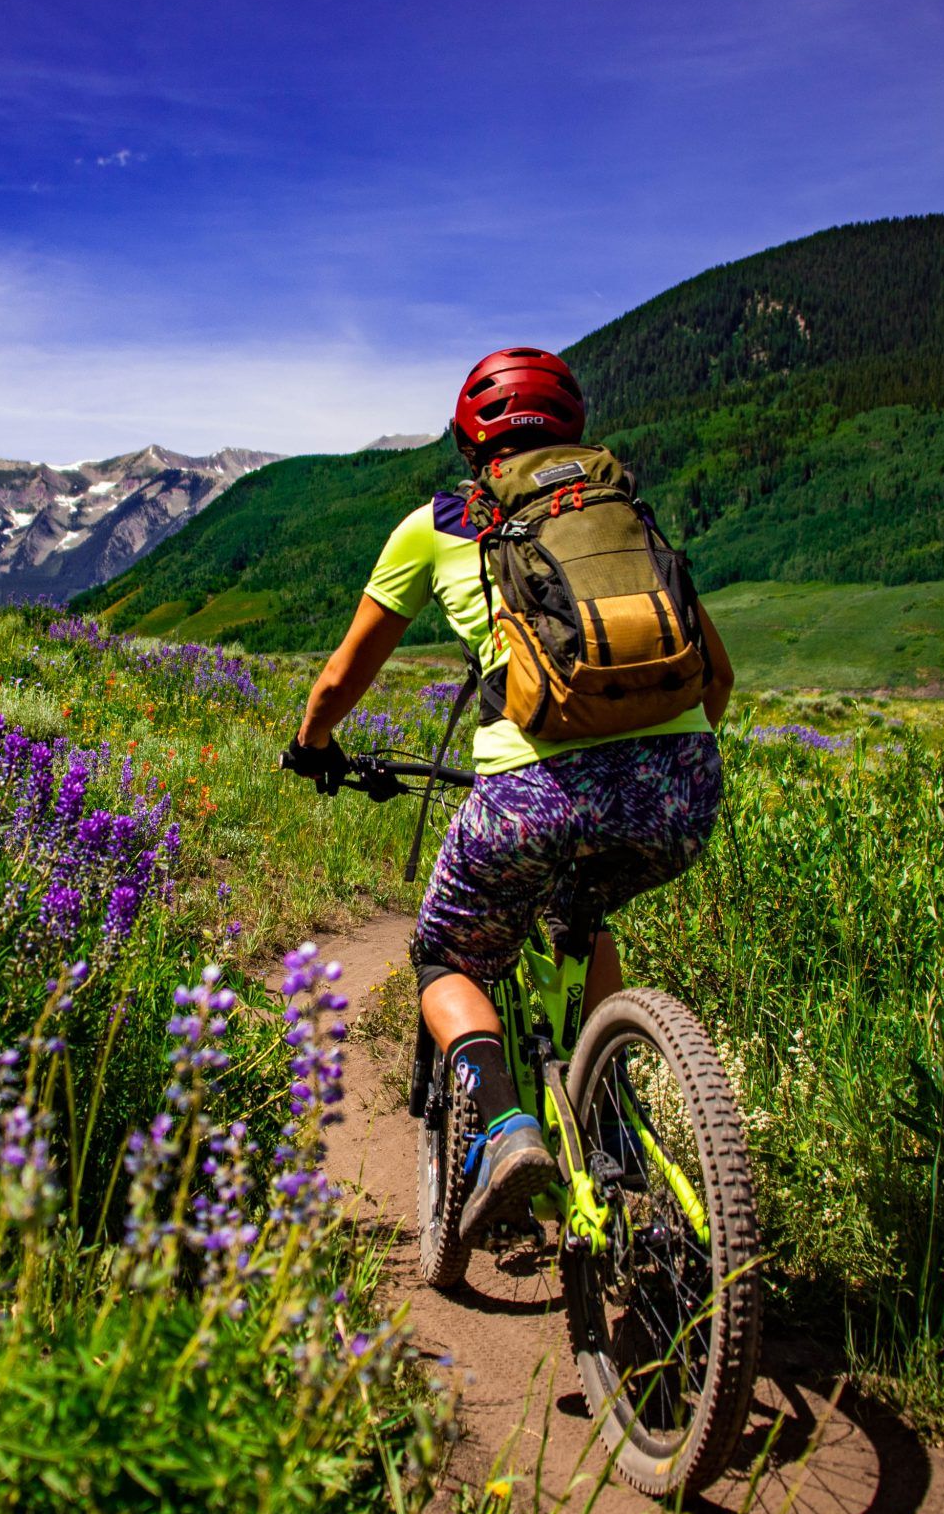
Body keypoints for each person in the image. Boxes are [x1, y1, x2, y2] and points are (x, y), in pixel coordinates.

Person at [283, 347, 734, 1244]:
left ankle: (503, 1129)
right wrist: (657, 755)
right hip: (682, 789)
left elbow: (338, 681)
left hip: (534, 793)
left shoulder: (438, 524)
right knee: (583, 914)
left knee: (445, 953)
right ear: (569, 426)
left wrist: (312, 747)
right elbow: (716, 676)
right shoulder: (621, 514)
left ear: (469, 437)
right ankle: (609, 1110)